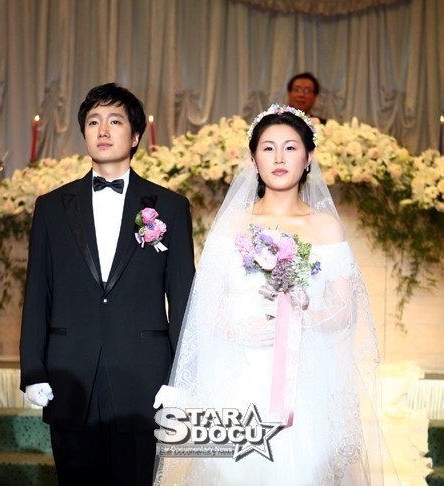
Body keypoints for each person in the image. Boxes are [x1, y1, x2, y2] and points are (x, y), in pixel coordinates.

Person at [153, 105, 397, 485]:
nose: (279, 158)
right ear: (253, 159)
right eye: (268, 148)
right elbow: (205, 304)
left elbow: (346, 310)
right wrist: (238, 330)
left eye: (290, 147)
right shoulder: (232, 224)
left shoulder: (326, 227)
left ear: (309, 157)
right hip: (236, 378)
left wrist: (301, 319)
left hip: (305, 383)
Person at [19, 83, 195, 485]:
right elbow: (38, 292)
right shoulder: (51, 207)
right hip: (69, 375)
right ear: (84, 133)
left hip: (144, 378)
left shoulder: (170, 207)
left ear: (135, 137)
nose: (102, 130)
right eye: (93, 121)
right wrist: (33, 369)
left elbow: (184, 297)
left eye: (115, 121)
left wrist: (181, 377)